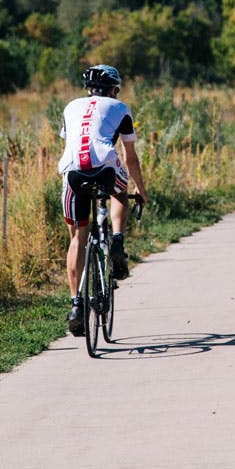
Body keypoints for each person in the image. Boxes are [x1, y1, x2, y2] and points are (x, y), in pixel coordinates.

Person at [57, 64, 148, 336]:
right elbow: (129, 156)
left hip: (72, 171)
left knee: (77, 239)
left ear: (88, 89)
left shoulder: (71, 107)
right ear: (113, 89)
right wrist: (141, 190)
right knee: (120, 193)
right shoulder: (120, 108)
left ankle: (76, 305)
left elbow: (70, 140)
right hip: (106, 167)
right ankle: (117, 241)